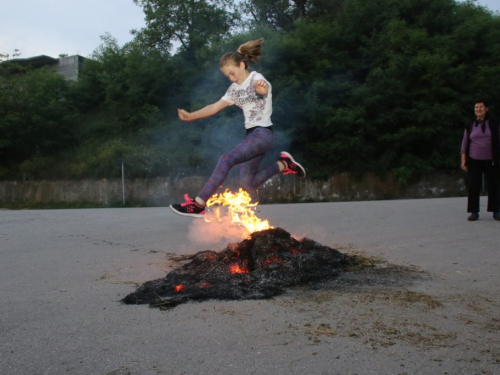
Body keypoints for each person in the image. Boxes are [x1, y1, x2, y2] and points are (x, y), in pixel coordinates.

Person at [170, 38, 305, 218]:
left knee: (225, 160)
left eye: (233, 73)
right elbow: (214, 107)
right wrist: (191, 116)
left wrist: (262, 89)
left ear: (242, 65)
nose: (232, 78)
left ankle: (199, 204)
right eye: (228, 76)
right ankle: (283, 164)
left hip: (263, 134)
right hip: (252, 137)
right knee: (247, 184)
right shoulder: (233, 90)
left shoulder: (256, 78)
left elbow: (263, 90)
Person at [460, 98, 500, 221]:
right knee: (473, 185)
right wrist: (463, 160)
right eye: (476, 107)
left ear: (486, 109)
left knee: (494, 185)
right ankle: (474, 212)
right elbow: (465, 143)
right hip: (474, 159)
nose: (478, 109)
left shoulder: (495, 122)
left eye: (481, 107)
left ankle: (497, 211)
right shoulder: (470, 124)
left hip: (492, 159)